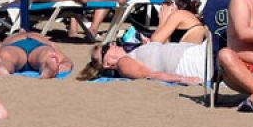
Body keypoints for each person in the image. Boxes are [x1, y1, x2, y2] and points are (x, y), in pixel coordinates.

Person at [78, 40, 210, 85]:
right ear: (106, 64)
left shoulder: (131, 55)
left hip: (192, 53)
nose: (113, 45)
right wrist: (183, 79)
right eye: (107, 47)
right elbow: (150, 75)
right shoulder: (123, 63)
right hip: (189, 62)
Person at [0, 32, 73, 79]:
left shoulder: (48, 42)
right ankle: (2, 68)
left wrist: (66, 63)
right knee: (6, 55)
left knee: (48, 54)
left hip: (37, 46)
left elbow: (64, 58)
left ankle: (47, 69)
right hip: (18, 46)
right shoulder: (5, 41)